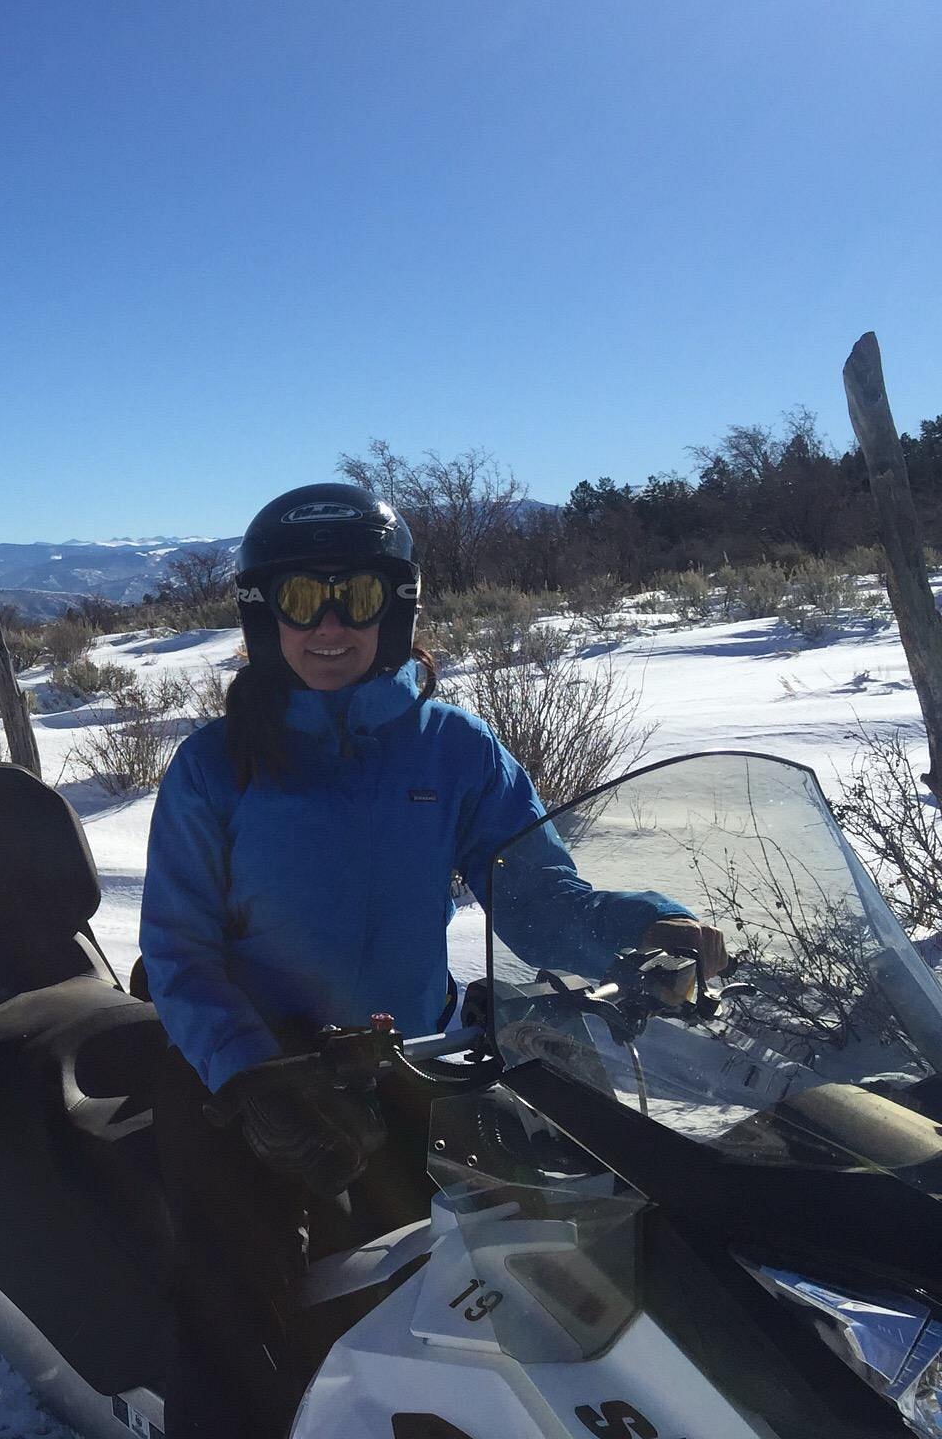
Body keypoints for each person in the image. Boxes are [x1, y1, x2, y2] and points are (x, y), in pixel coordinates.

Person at [139, 483, 725, 1436]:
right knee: (234, 1315)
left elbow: (534, 898)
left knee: (489, 1283)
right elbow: (178, 949)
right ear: (264, 614)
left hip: (412, 1063)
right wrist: (250, 1076)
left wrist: (643, 930)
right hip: (244, 1081)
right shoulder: (215, 765)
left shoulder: (453, 750)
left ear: (397, 606)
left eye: (358, 599)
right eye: (302, 601)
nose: (330, 627)